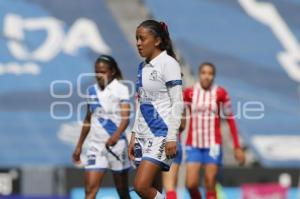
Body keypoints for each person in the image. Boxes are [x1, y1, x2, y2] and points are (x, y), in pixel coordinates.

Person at [128, 20, 184, 199]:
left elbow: (177, 102)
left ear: (157, 41)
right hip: (143, 135)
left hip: (161, 133)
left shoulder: (168, 63)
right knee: (153, 189)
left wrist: (171, 137)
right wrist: (134, 135)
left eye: (142, 38)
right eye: (137, 38)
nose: (138, 43)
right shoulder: (142, 67)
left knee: (141, 186)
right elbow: (141, 103)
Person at [72, 55, 131, 199]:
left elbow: (125, 118)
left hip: (117, 146)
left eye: (103, 72)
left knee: (122, 192)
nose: (99, 75)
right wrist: (79, 145)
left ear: (112, 72)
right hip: (96, 146)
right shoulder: (92, 91)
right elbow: (87, 120)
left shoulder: (120, 89)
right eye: (97, 71)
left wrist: (115, 136)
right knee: (90, 190)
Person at [184, 62, 245, 199]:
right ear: (199, 74)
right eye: (204, 73)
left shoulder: (220, 93)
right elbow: (180, 115)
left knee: (210, 181)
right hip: (193, 144)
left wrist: (237, 146)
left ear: (214, 76)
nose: (207, 76)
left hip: (213, 144)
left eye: (210, 73)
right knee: (191, 184)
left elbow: (230, 119)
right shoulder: (189, 93)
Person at [162, 109, 186, 199]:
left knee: (168, 186)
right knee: (153, 188)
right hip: (170, 144)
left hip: (171, 145)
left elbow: (183, 125)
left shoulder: (177, 99)